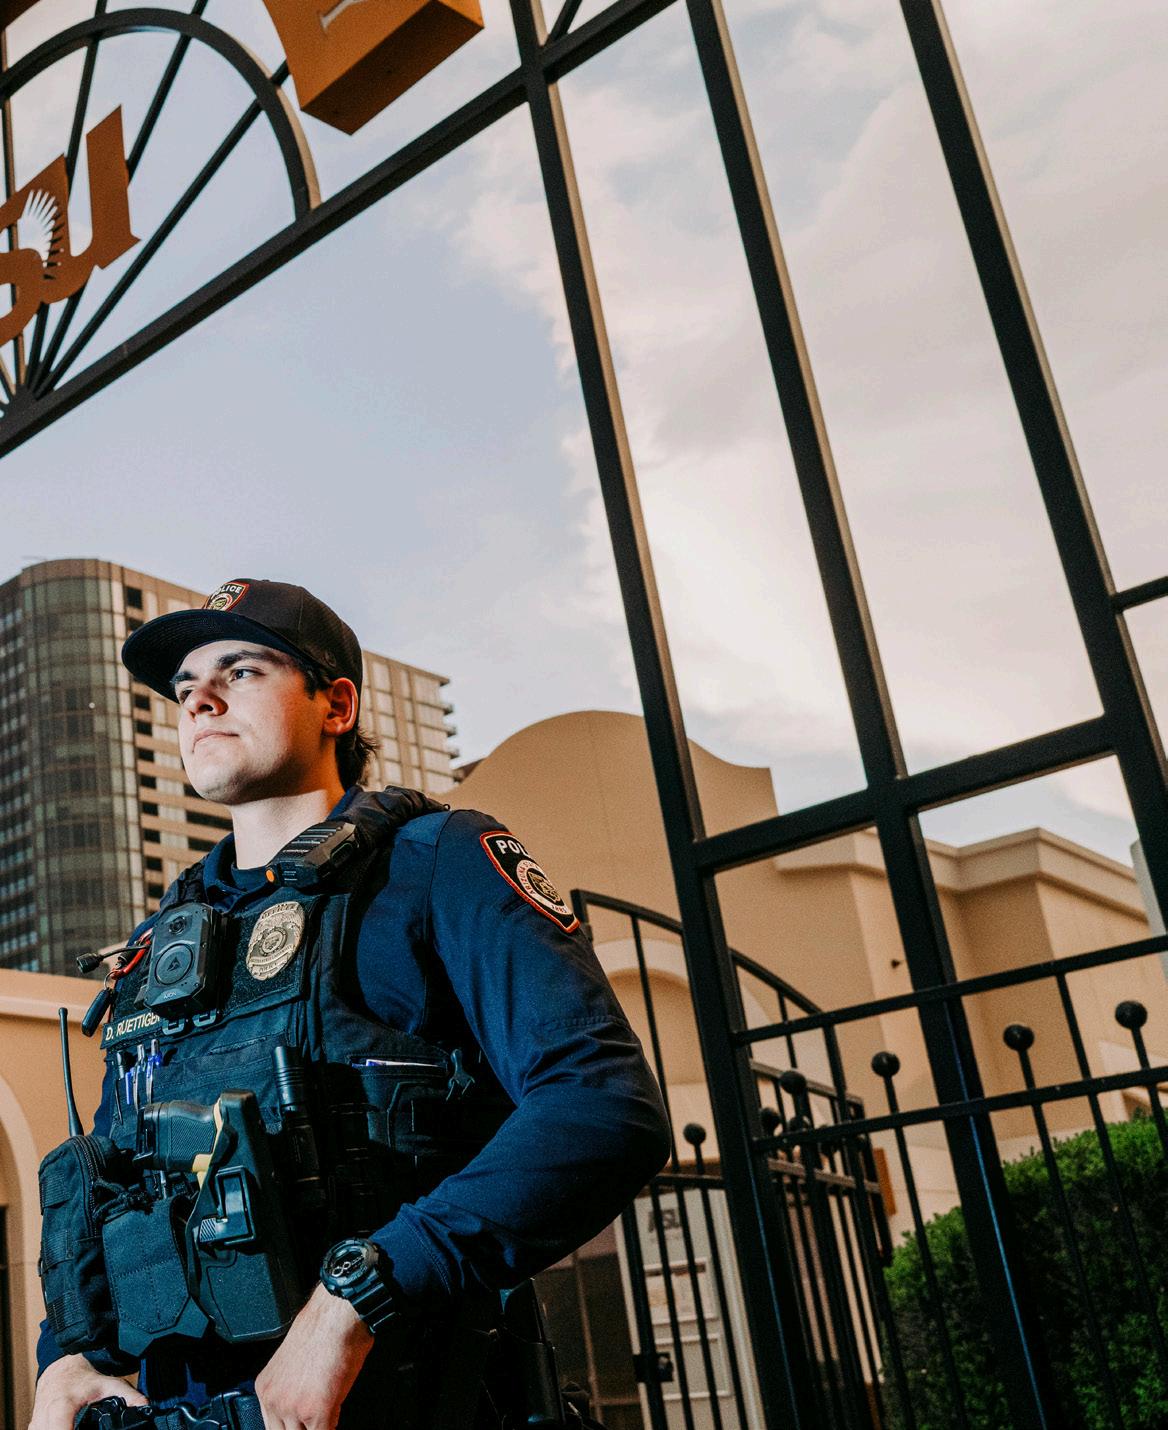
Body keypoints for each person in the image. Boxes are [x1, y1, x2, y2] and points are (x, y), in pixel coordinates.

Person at [30, 578, 671, 1430]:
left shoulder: (437, 863)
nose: (201, 702)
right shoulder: (158, 948)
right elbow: (112, 1186)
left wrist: (356, 1298)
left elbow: (603, 1108)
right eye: (185, 690)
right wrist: (65, 1358)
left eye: (240, 671)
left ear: (337, 705)